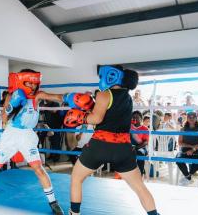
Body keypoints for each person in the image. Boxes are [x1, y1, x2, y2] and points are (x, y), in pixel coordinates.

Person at [0, 69, 93, 214]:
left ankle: (53, 202)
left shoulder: (38, 96)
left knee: (39, 169)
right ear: (21, 82)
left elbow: (56, 97)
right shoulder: (13, 95)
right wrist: (12, 103)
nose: (32, 87)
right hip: (10, 135)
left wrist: (72, 97)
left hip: (27, 136)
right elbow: (4, 119)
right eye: (29, 83)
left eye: (35, 83)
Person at [63, 65, 158, 215]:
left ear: (111, 76)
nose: (100, 79)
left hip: (100, 146)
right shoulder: (128, 97)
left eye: (101, 76)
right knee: (139, 187)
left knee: (76, 178)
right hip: (123, 148)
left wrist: (81, 117)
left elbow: (97, 118)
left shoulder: (104, 94)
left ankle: (74, 213)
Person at [175, 112, 198, 186]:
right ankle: (188, 176)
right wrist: (190, 147)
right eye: (189, 117)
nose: (191, 119)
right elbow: (180, 143)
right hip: (185, 149)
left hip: (196, 150)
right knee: (178, 159)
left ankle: (189, 175)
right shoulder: (183, 129)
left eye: (193, 117)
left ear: (196, 118)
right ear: (187, 118)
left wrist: (192, 149)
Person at [130, 111, 149, 176]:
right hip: (130, 146)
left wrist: (136, 147)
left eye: (137, 117)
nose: (135, 119)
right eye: (133, 117)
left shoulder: (145, 128)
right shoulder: (129, 127)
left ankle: (140, 174)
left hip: (141, 147)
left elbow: (146, 142)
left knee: (140, 153)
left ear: (141, 119)